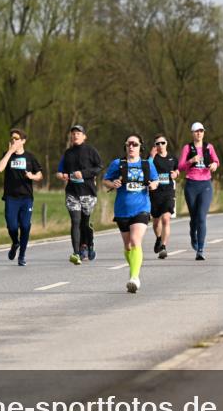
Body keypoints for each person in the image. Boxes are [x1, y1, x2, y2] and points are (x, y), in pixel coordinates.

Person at [103, 134, 159, 292]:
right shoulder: (118, 164)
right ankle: (133, 270)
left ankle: (135, 277)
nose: (131, 147)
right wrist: (113, 183)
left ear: (141, 146)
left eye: (134, 144)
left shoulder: (147, 164)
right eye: (128, 144)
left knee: (135, 240)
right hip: (122, 209)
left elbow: (155, 180)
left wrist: (153, 185)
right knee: (128, 246)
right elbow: (105, 180)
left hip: (141, 208)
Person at [0, 128, 43, 266]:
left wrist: (32, 176)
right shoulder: (7, 155)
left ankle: (22, 255)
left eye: (16, 138)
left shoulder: (30, 157)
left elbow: (40, 174)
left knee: (25, 226)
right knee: (12, 226)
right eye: (11, 138)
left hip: (26, 198)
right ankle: (15, 242)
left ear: (23, 141)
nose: (13, 141)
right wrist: (10, 152)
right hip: (11, 197)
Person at [56, 125, 103, 264]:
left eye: (78, 133)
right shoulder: (68, 153)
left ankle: (89, 244)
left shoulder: (91, 151)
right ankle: (76, 252)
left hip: (88, 192)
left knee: (85, 222)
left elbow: (99, 167)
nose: (75, 135)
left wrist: (83, 173)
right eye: (73, 133)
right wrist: (61, 175)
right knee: (75, 221)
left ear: (84, 136)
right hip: (72, 193)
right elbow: (59, 171)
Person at [177, 122, 220, 260]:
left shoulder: (209, 147)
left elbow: (216, 161)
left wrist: (214, 164)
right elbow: (181, 166)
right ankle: (192, 233)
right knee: (194, 217)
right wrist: (191, 160)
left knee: (201, 217)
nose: (199, 133)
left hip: (205, 184)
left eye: (201, 131)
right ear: (192, 133)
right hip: (191, 185)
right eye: (196, 131)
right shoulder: (187, 148)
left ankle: (200, 249)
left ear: (203, 133)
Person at [149, 133, 179, 259]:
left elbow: (177, 170)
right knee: (156, 222)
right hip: (155, 193)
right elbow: (146, 168)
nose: (160, 145)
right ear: (155, 145)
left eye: (162, 143)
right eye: (157, 143)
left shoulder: (172, 158)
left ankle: (163, 247)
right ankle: (158, 238)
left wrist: (176, 174)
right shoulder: (152, 159)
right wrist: (151, 156)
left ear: (166, 144)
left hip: (168, 192)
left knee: (166, 219)